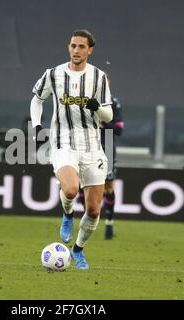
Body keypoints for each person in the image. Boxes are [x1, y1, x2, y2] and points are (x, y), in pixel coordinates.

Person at [30, 29, 113, 270]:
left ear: (90, 50)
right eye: (73, 46)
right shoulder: (53, 74)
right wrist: (36, 126)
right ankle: (67, 215)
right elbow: (37, 98)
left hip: (92, 146)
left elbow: (108, 115)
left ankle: (78, 250)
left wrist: (97, 107)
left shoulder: (98, 78)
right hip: (62, 140)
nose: (76, 51)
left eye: (81, 47)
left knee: (94, 210)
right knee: (70, 188)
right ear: (69, 47)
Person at [78, 75, 124, 240]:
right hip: (87, 145)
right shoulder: (83, 99)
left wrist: (103, 122)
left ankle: (109, 225)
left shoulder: (113, 102)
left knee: (108, 188)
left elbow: (119, 130)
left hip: (107, 146)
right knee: (81, 184)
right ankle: (88, 219)